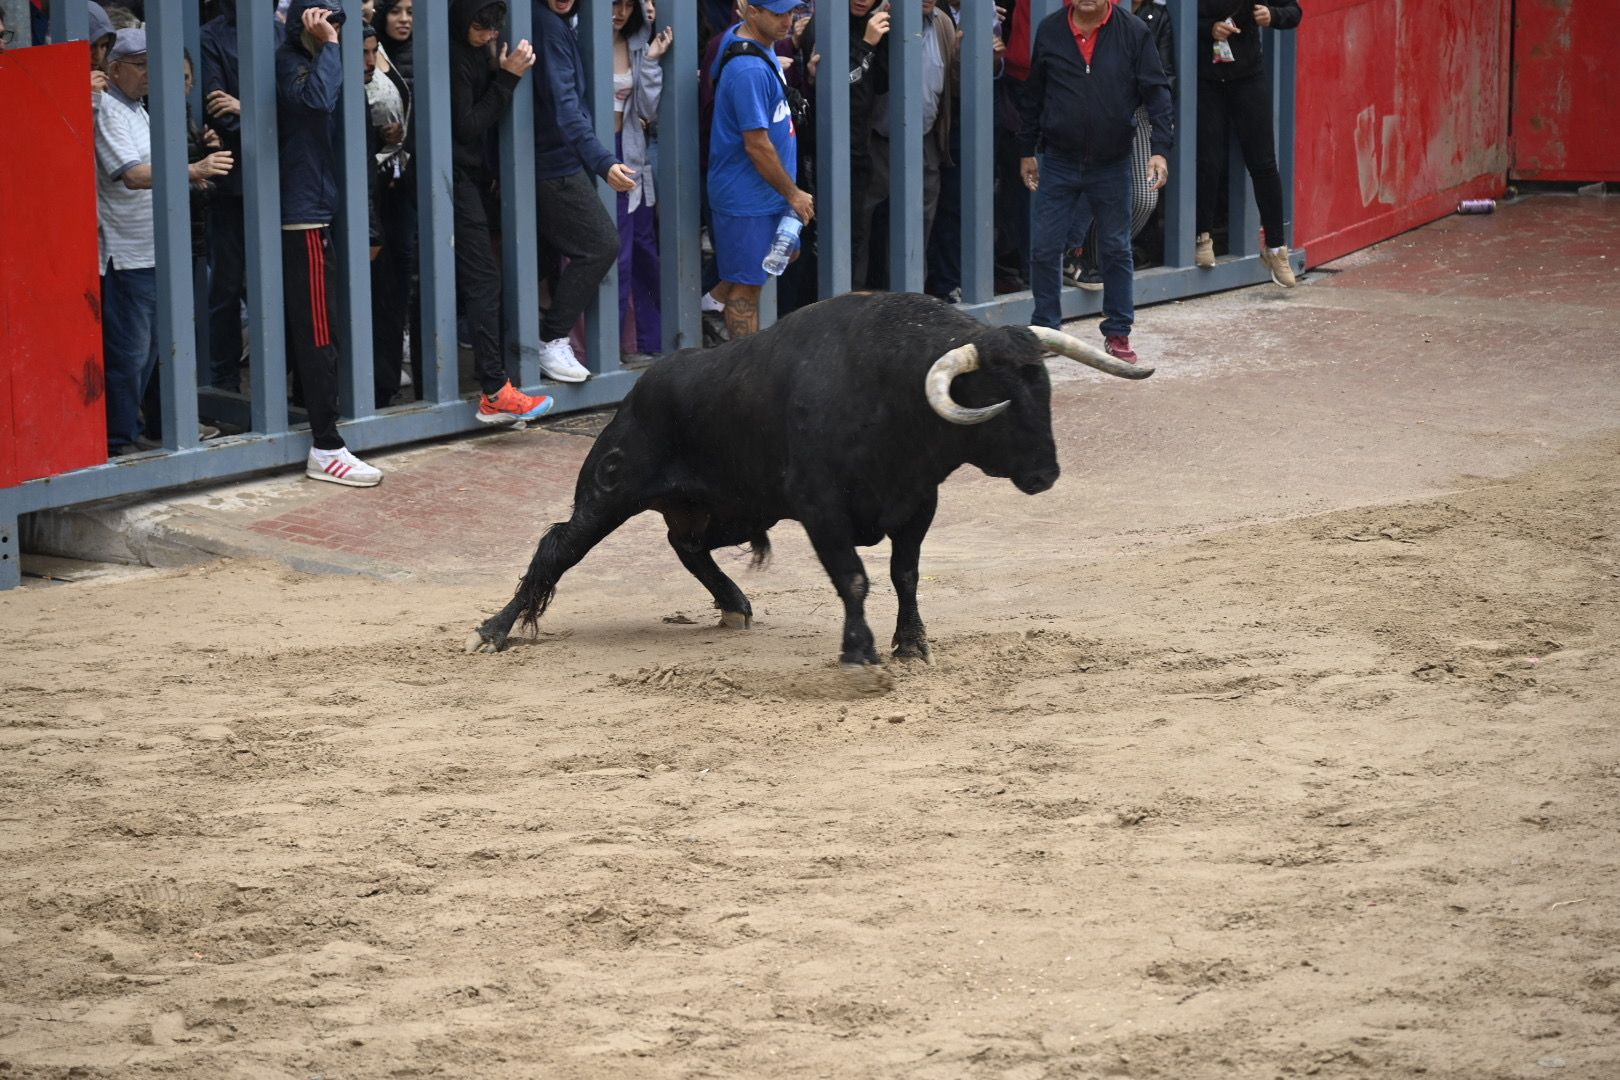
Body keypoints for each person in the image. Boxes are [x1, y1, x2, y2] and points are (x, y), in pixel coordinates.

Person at [94, 29, 235, 456]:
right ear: (114, 69)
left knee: (151, 353)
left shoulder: (137, 108)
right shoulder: (109, 110)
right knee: (129, 357)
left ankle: (139, 430)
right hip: (127, 253)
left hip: (153, 250)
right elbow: (134, 175)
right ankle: (118, 442)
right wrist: (195, 169)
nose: (150, 74)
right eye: (140, 65)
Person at [1019, 0, 1171, 364]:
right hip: (1058, 160)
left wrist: (1160, 149)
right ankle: (1047, 331)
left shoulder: (1134, 32)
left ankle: (1118, 332)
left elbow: (1157, 91)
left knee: (1116, 249)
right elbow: (1034, 94)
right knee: (1044, 249)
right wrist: (1026, 150)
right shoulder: (1051, 30)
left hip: (1112, 161)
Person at [277, 0, 384, 486]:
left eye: (337, 19)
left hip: (321, 207)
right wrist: (331, 46)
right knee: (319, 335)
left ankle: (323, 432)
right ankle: (326, 445)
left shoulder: (322, 60)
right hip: (302, 214)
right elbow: (317, 100)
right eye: (323, 17)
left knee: (324, 332)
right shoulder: (291, 62)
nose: (332, 26)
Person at [448, 0, 555, 423]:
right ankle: (494, 388)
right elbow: (467, 125)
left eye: (495, 26)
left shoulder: (475, 50)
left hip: (471, 174)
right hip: (453, 174)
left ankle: (493, 385)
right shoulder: (456, 56)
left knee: (479, 275)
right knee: (482, 277)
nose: (490, 34)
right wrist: (506, 79)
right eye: (481, 26)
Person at [530, 0, 637, 382]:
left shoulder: (555, 21)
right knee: (600, 244)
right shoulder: (548, 25)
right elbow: (566, 108)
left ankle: (543, 339)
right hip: (555, 162)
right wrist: (603, 161)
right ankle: (551, 338)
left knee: (544, 259)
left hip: (554, 157)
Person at [706, 0, 812, 340]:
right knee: (747, 293)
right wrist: (793, 193)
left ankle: (711, 299)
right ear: (751, 10)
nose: (788, 21)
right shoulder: (748, 70)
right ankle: (744, 374)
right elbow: (756, 145)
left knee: (785, 254)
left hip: (768, 191)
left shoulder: (751, 41)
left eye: (791, 12)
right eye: (778, 13)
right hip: (748, 196)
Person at [1066, 0, 1176, 289]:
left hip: (1136, 110)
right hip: (1090, 113)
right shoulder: (1085, 13)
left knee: (1143, 197)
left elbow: (1164, 77)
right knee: (1092, 188)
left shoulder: (1154, 16)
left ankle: (1102, 259)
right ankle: (1082, 258)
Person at [1195, 0, 1300, 286]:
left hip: (1248, 76)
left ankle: (1276, 247)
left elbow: (1294, 12)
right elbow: (1175, 19)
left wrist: (1272, 15)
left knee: (1264, 162)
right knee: (1208, 160)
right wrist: (1209, 29)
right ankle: (1202, 236)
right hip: (1206, 79)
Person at [860, 0, 957, 290]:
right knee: (862, 222)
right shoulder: (880, 22)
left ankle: (910, 297)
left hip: (925, 139)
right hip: (878, 139)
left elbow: (952, 81)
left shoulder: (942, 24)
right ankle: (855, 296)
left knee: (919, 222)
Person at [612, 0, 671, 362]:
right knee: (615, 252)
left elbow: (648, 110)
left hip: (632, 150)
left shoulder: (638, 41)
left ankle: (650, 339)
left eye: (625, 4)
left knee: (645, 247)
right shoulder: (576, 38)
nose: (618, 11)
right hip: (598, 152)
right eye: (611, 3)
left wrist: (649, 61)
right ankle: (609, 345)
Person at [372, 0, 421, 401]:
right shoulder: (372, 53)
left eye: (411, 10)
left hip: (409, 183)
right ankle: (379, 379)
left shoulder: (424, 53)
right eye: (396, 11)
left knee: (400, 279)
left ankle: (389, 377)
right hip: (376, 184)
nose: (404, 19)